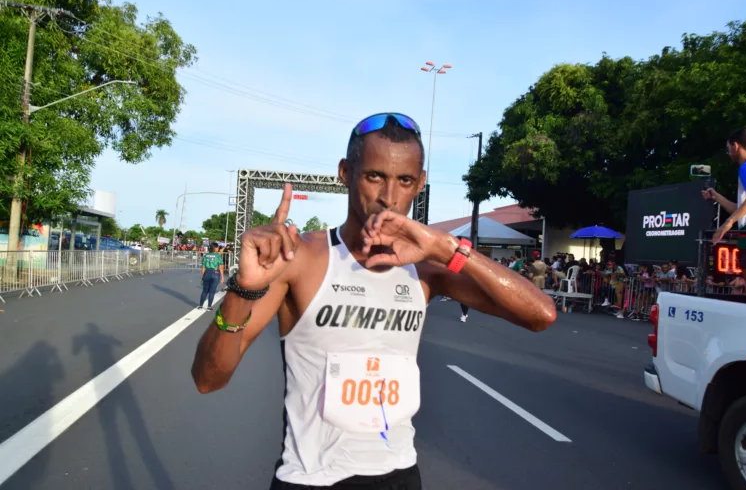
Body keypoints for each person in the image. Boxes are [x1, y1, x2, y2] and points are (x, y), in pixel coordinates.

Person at [190, 112, 556, 490]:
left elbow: (540, 315)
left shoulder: (428, 266)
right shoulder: (302, 258)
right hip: (312, 479)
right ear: (346, 173)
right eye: (374, 176)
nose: (389, 198)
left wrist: (447, 247)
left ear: (421, 184)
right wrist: (243, 290)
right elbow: (208, 379)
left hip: (399, 475)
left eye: (405, 181)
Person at [702, 127, 746, 305]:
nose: (729, 153)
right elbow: (744, 209)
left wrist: (728, 223)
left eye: (728, 149)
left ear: (735, 146)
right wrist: (717, 197)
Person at [198, 244, 225, 311]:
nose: (218, 248)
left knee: (205, 291)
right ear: (215, 248)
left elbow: (203, 267)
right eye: (217, 247)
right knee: (212, 291)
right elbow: (221, 267)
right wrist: (222, 277)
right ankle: (209, 307)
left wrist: (202, 276)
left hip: (207, 272)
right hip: (215, 273)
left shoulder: (206, 255)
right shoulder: (218, 255)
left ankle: (200, 305)